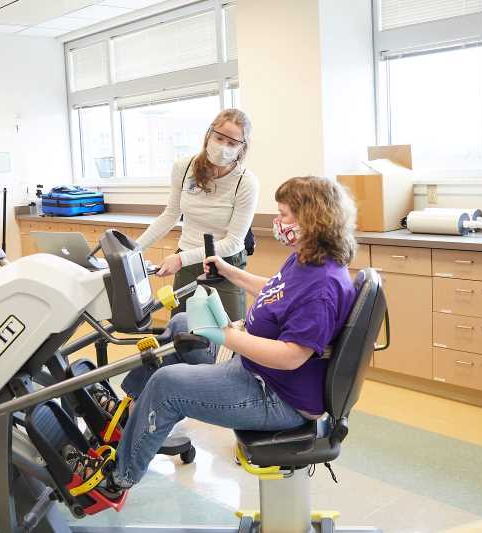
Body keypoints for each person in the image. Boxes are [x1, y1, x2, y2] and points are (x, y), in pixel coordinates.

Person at [64, 176, 359, 494]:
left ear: (312, 219)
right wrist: (229, 271)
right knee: (181, 324)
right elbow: (275, 289)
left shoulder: (323, 286)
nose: (277, 221)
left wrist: (225, 336)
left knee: (167, 385)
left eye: (284, 214)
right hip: (258, 372)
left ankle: (117, 478)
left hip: (277, 397)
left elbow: (290, 357)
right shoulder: (307, 259)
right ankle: (130, 415)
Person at [136, 108, 259, 323]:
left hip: (225, 265)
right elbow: (171, 214)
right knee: (183, 329)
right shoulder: (184, 168)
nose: (223, 146)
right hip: (186, 261)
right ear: (208, 135)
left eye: (232, 143)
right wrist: (133, 251)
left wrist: (180, 259)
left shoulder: (246, 182)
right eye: (219, 137)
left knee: (228, 335)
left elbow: (233, 242)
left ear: (242, 148)